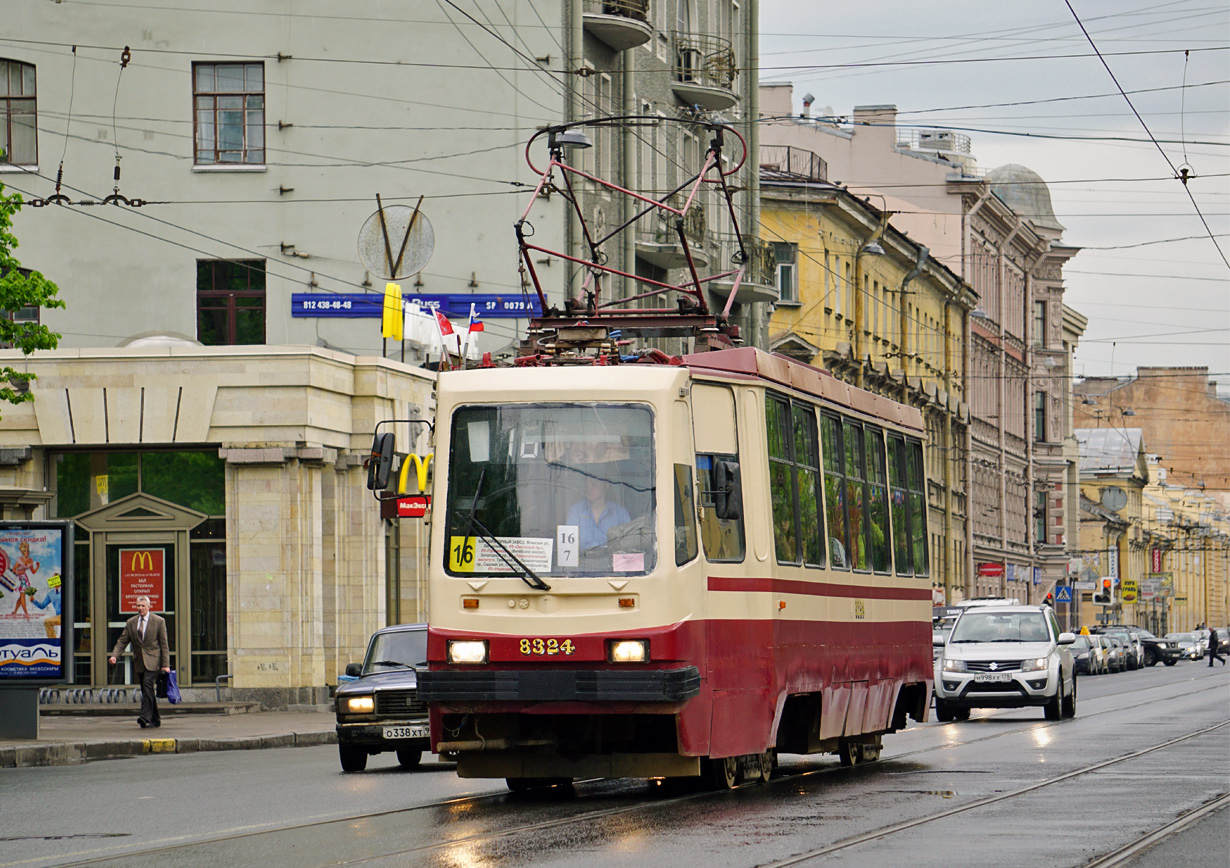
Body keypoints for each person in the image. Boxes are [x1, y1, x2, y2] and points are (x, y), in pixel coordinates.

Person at [109, 595, 171, 728]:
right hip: (139, 661)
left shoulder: (159, 621)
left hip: (153, 660)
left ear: (149, 607)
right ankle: (155, 719)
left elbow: (164, 645)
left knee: (147, 684)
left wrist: (165, 665)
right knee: (146, 689)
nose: (140, 608)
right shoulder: (131, 622)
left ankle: (144, 716)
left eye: (143, 606)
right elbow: (122, 641)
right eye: (138, 606)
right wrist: (115, 656)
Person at [567, 475, 631, 551]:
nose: (588, 488)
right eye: (586, 485)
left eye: (594, 484)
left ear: (606, 486)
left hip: (611, 557)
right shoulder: (576, 511)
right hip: (583, 557)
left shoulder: (620, 513)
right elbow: (569, 543)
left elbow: (628, 543)